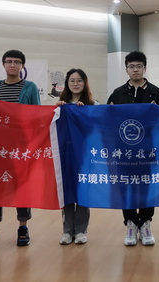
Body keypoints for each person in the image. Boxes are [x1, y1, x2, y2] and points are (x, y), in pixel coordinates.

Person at [0, 50, 40, 248]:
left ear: (23, 66)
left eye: (17, 62)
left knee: (21, 186)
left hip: (20, 148)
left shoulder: (30, 87)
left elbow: (36, 116)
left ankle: (23, 226)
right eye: (9, 61)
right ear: (3, 64)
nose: (13, 65)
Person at [107, 51, 159, 246]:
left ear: (145, 68)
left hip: (147, 150)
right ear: (126, 69)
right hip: (124, 152)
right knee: (126, 186)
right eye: (132, 66)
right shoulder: (117, 93)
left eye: (139, 66)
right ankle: (131, 224)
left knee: (146, 187)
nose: (135, 70)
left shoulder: (155, 93)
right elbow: (108, 120)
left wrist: (156, 112)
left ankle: (145, 223)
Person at [57, 68, 97, 246]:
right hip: (65, 154)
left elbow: (95, 129)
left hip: (84, 155)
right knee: (66, 191)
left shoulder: (92, 104)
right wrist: (58, 110)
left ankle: (81, 230)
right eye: (72, 80)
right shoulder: (60, 105)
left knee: (82, 191)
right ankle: (67, 231)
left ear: (85, 83)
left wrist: (85, 113)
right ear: (67, 83)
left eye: (79, 80)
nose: (75, 83)